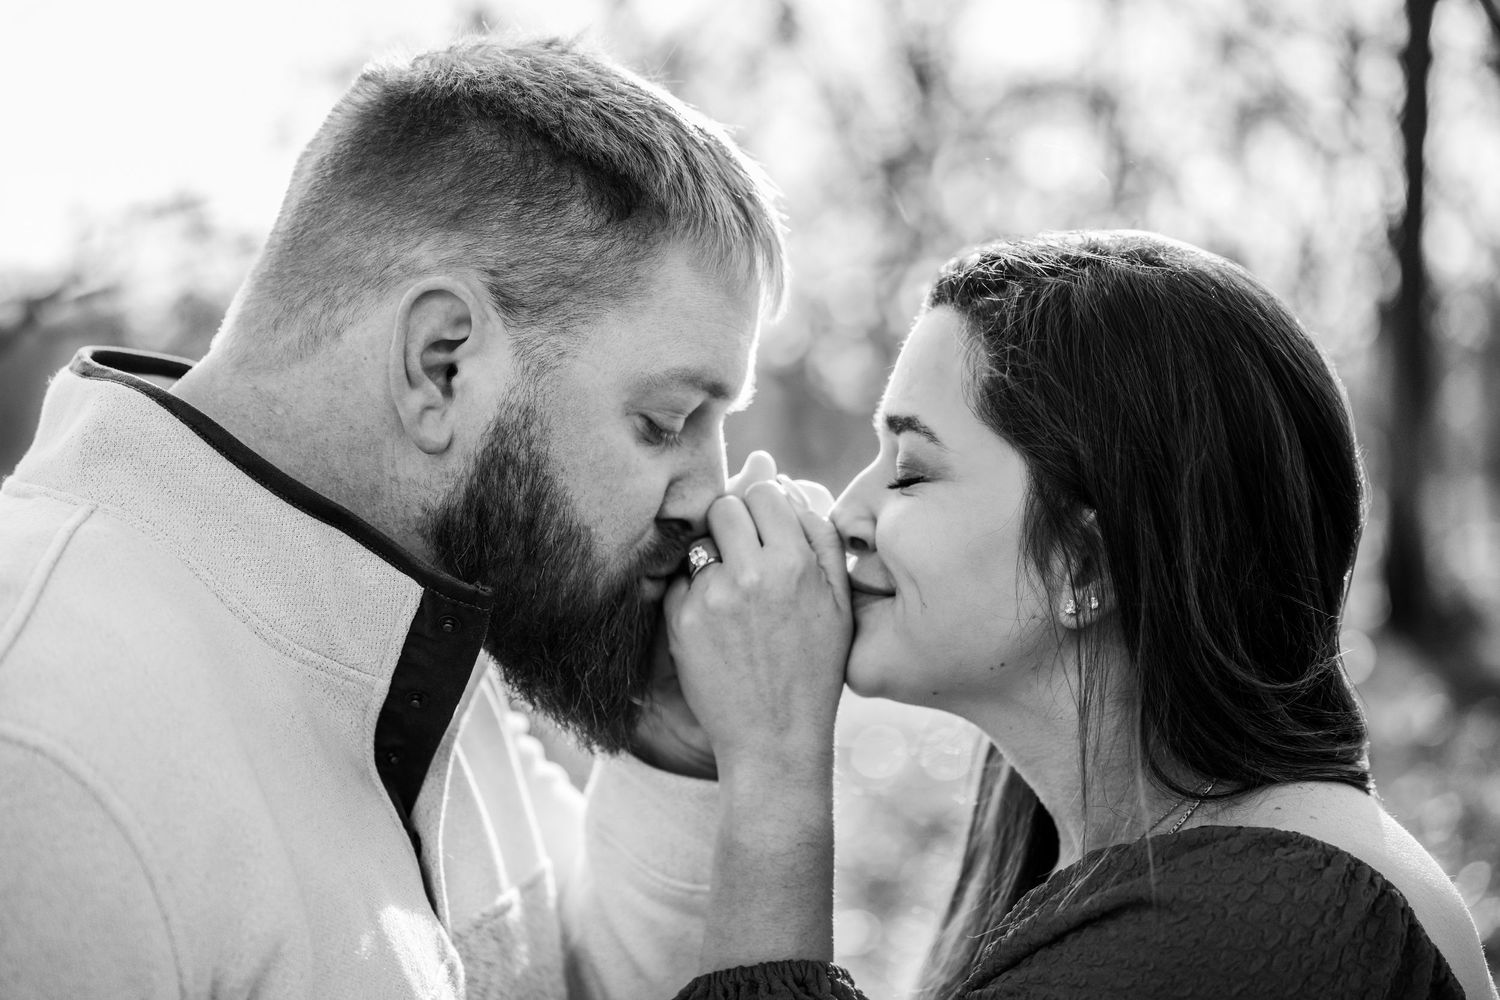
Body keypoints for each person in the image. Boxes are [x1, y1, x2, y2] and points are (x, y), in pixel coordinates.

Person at [0, 36, 788, 999]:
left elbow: (568, 977)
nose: (710, 494)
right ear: (441, 362)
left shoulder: (411, 627)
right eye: (665, 422)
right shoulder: (46, 746)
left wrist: (679, 745)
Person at [664, 231, 1499, 999]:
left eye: (910, 471)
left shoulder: (1249, 929)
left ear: (1086, 563)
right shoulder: (1169, 871)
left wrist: (773, 758)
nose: (848, 513)